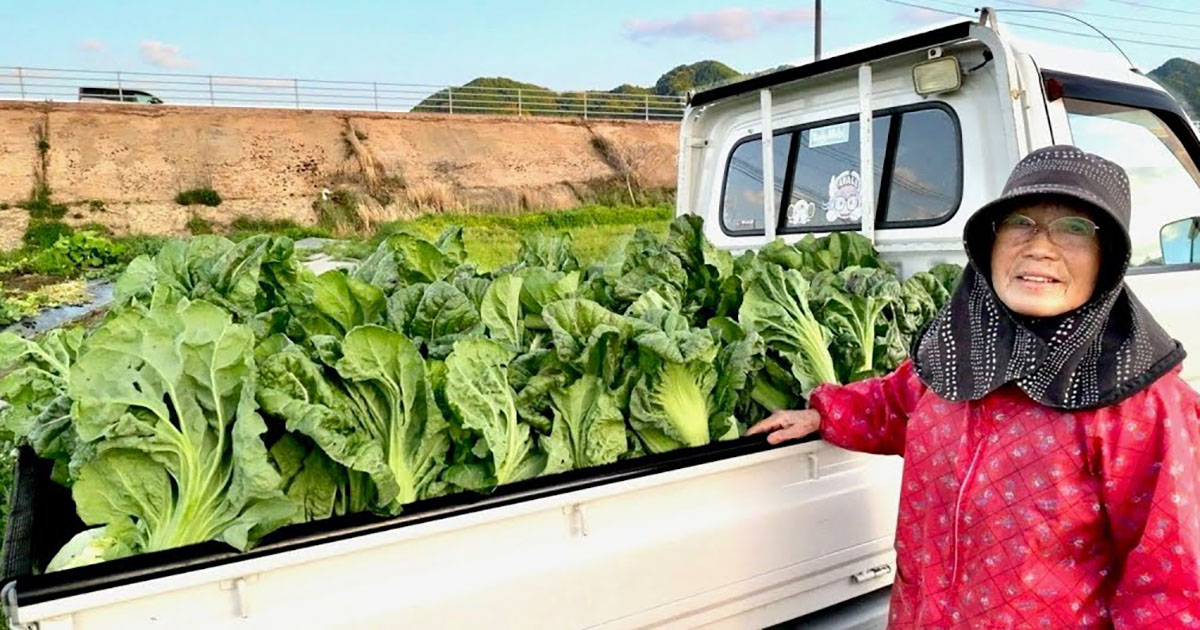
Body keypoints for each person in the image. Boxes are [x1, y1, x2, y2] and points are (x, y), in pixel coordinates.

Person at [749, 146, 1200, 628]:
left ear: (1107, 258)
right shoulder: (955, 358)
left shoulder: (1141, 405)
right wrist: (825, 413)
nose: (1040, 246)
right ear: (989, 244)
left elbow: (1172, 582)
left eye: (1074, 228)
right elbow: (895, 402)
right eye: (1020, 223)